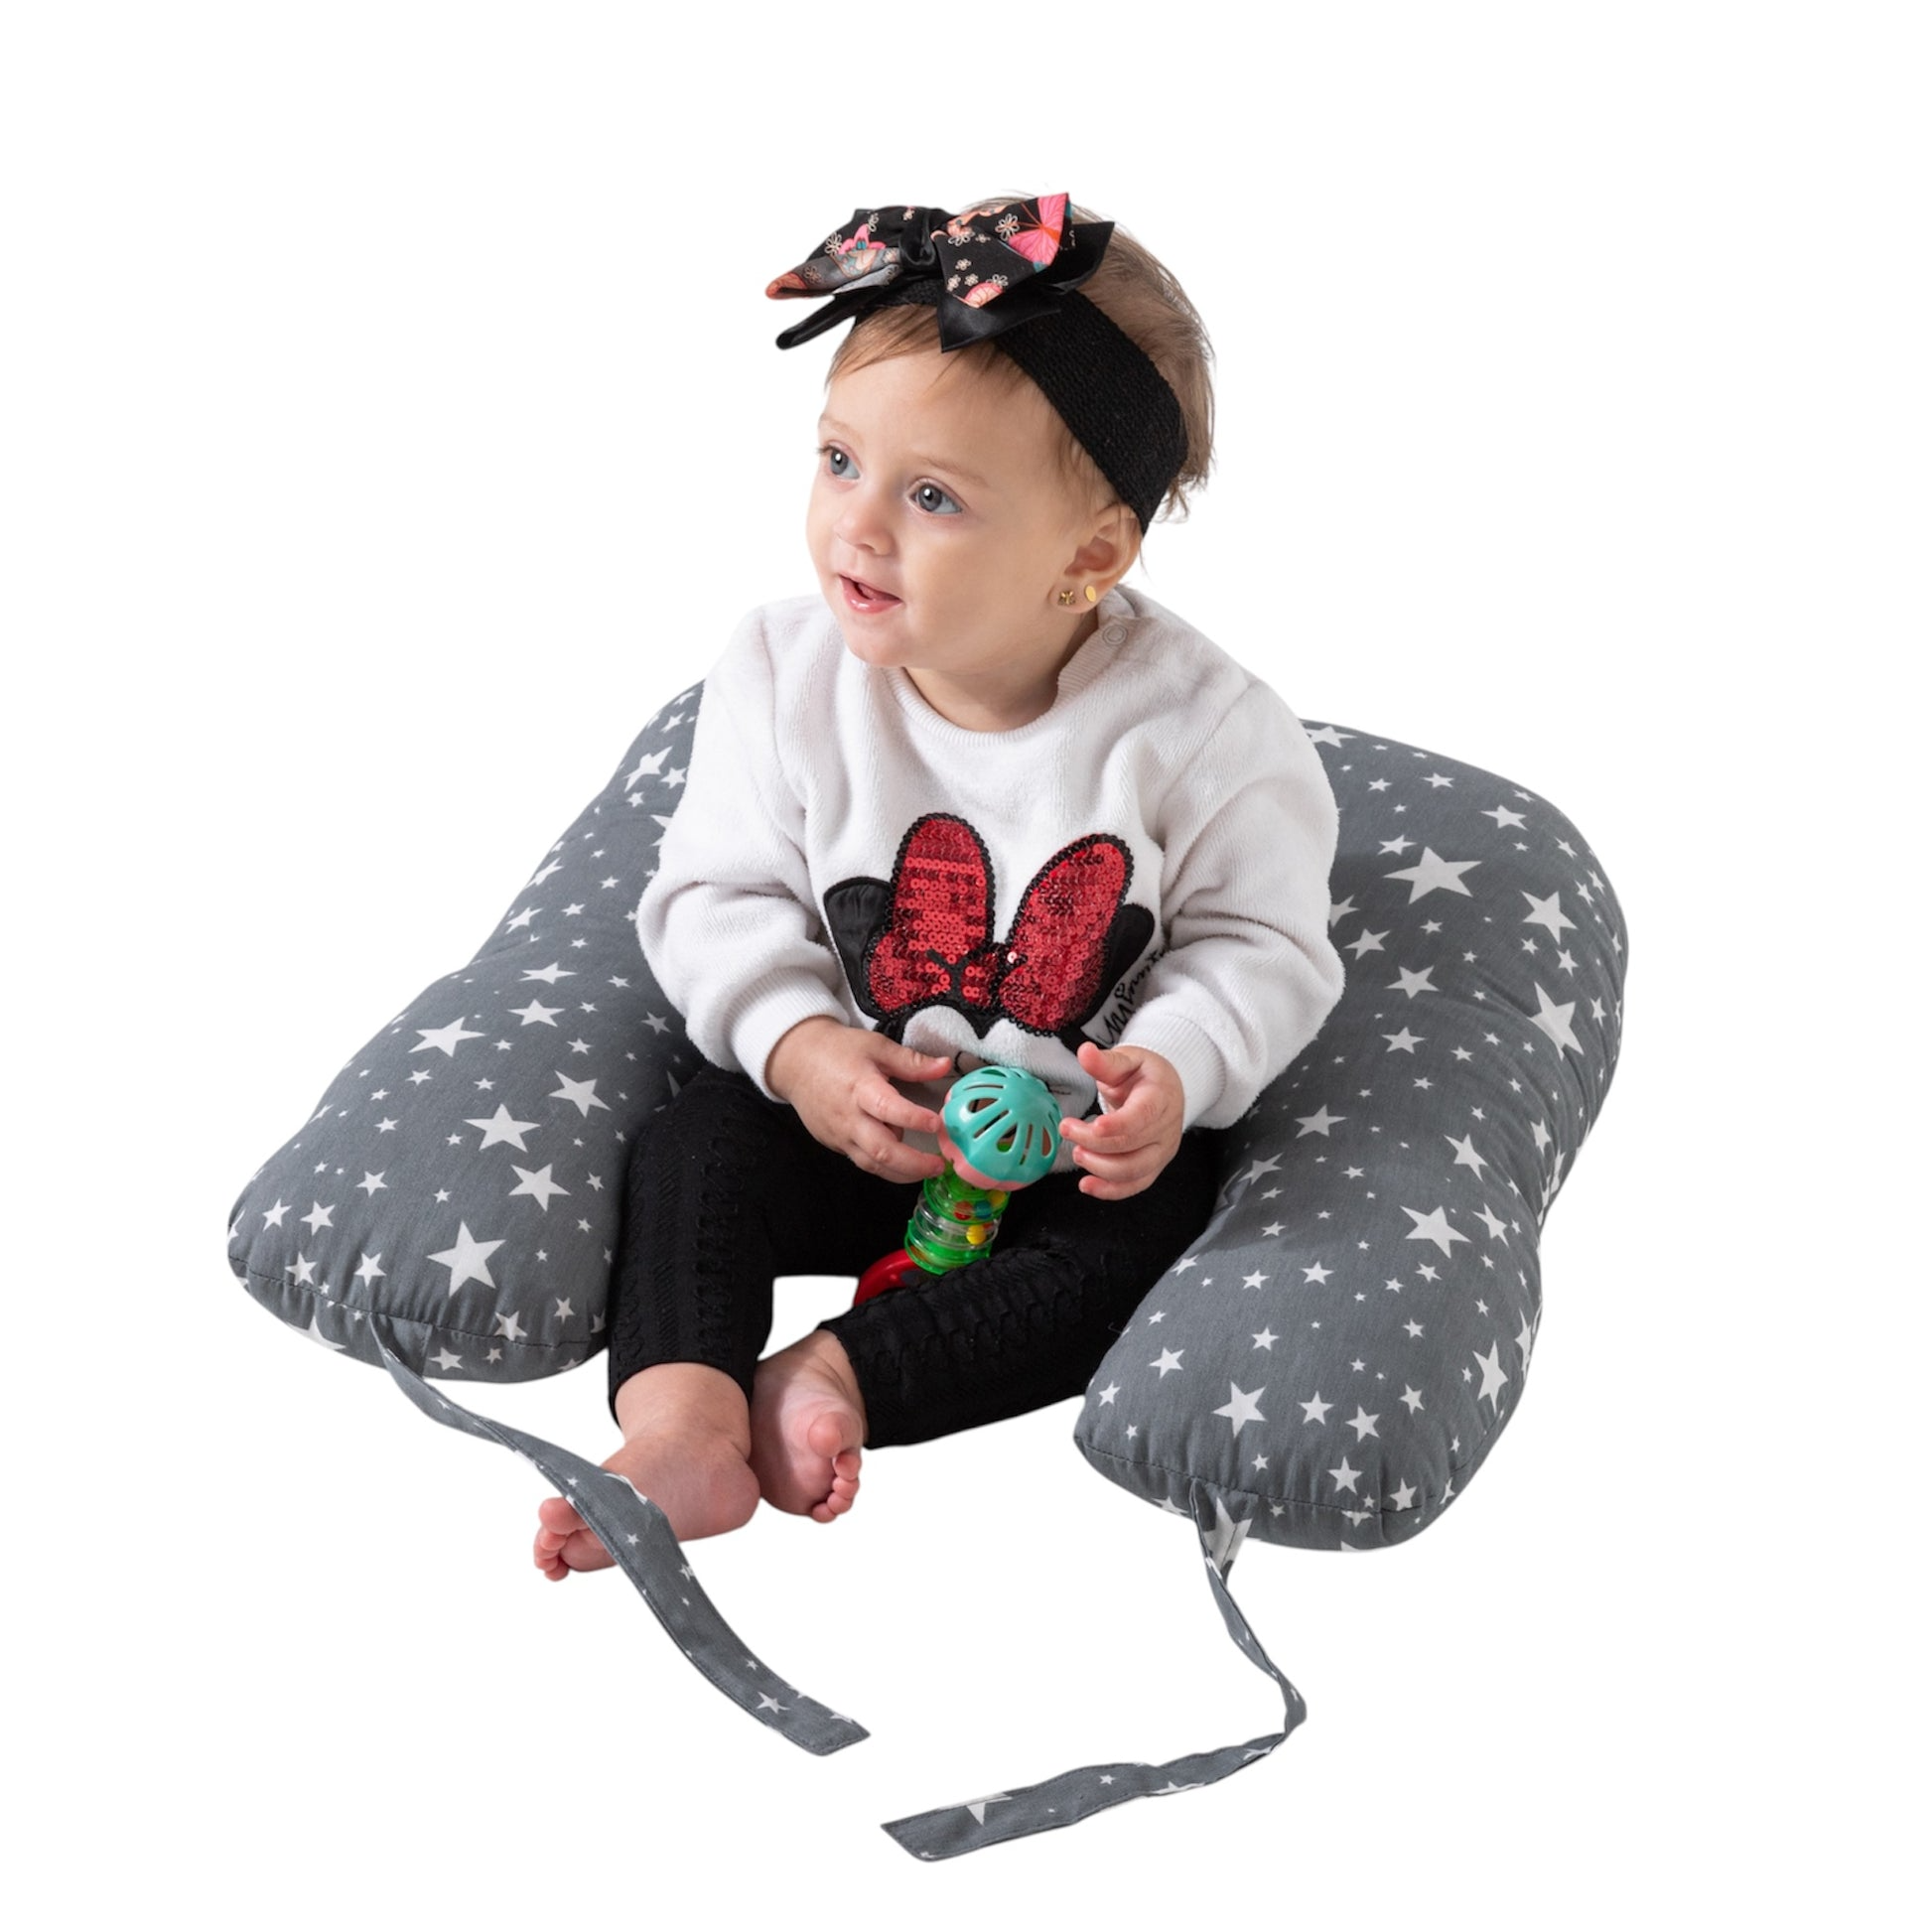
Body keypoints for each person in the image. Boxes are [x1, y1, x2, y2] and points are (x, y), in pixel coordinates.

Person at [533, 194, 1346, 1577]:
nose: (856, 526)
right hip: (858, 1117)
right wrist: (798, 1050)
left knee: (1144, 1241)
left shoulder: (1202, 734)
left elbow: (1259, 945)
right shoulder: (783, 676)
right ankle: (684, 1417)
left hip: (1071, 1155)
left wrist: (1171, 1071)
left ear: (1088, 556)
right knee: (695, 1147)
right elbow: (713, 897)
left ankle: (837, 1376)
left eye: (931, 498)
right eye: (839, 459)